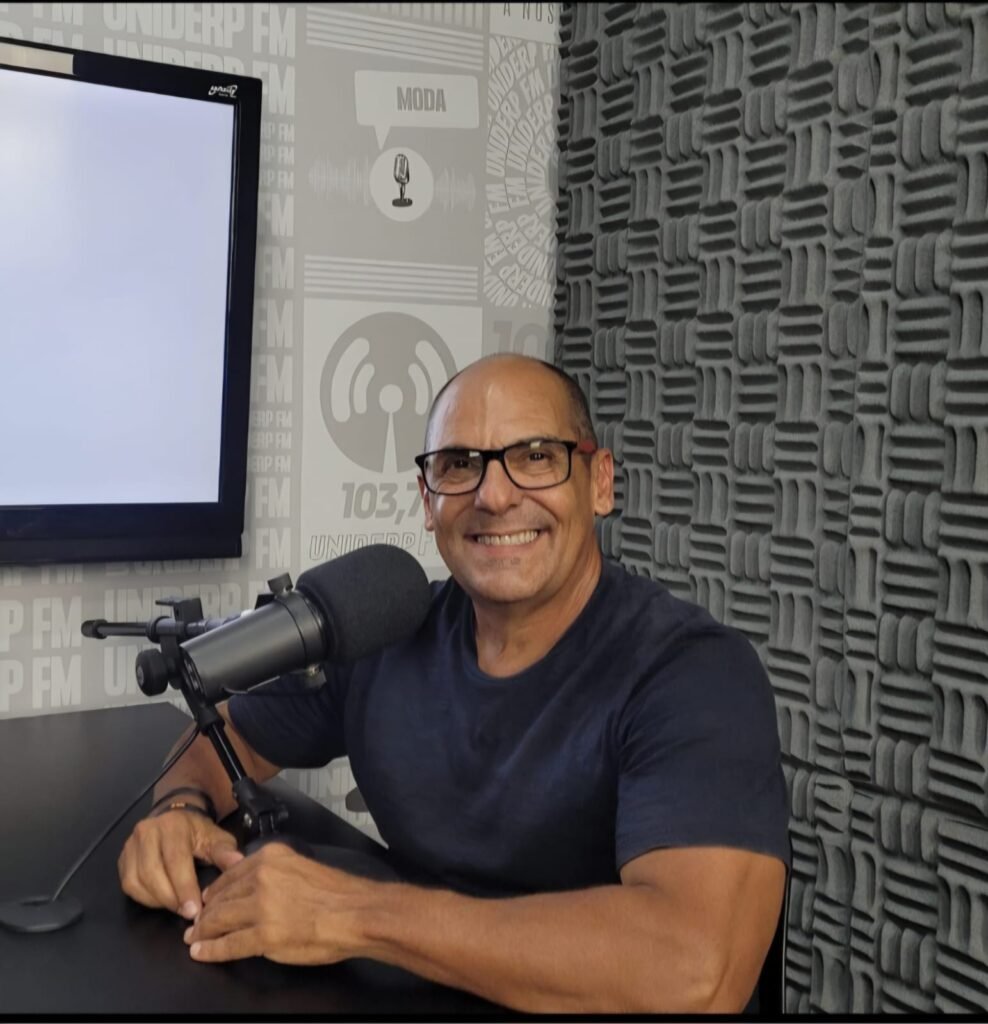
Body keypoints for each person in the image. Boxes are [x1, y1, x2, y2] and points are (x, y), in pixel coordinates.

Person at [118, 353, 790, 1013]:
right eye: (460, 465)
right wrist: (179, 812)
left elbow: (698, 972)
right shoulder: (387, 633)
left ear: (601, 482)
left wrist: (354, 914)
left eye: (535, 456)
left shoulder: (692, 673)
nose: (494, 496)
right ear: (428, 499)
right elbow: (225, 734)